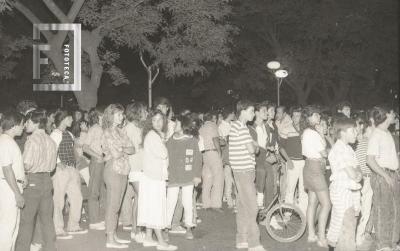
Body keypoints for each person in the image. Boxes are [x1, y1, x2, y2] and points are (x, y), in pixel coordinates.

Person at [15, 109, 57, 251]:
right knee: (46, 219)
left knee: (26, 220)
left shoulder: (32, 140)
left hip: (33, 181)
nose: (26, 125)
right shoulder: (50, 140)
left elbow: (26, 164)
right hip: (47, 180)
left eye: (28, 122)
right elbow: (52, 167)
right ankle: (51, 248)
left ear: (36, 123)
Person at [137, 110, 177, 251]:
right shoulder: (154, 136)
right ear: (150, 122)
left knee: (150, 207)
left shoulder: (152, 135)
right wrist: (164, 141)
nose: (158, 123)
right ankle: (161, 241)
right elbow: (163, 153)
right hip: (154, 177)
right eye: (154, 120)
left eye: (160, 120)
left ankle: (148, 237)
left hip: (151, 176)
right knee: (156, 208)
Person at [229, 100, 266, 251]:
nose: (253, 114)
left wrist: (254, 145)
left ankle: (242, 239)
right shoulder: (242, 128)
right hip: (244, 171)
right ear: (243, 111)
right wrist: (256, 147)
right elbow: (252, 149)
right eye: (251, 111)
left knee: (243, 206)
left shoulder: (236, 126)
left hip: (239, 171)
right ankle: (254, 243)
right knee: (252, 207)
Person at [367, 106, 400, 251]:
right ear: (386, 114)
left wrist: (395, 172)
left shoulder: (387, 133)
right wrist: (386, 176)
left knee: (395, 210)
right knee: (383, 210)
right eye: (393, 112)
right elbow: (370, 160)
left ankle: (393, 243)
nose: (395, 114)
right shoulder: (377, 135)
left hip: (391, 174)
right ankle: (382, 245)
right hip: (382, 177)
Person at [101, 104, 134, 248]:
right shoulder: (107, 132)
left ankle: (113, 235)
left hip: (123, 170)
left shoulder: (121, 131)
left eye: (122, 114)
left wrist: (122, 148)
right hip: (113, 170)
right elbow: (115, 154)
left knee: (117, 205)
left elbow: (132, 149)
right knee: (112, 206)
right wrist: (123, 149)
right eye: (119, 114)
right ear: (111, 116)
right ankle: (110, 239)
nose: (122, 117)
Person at [327, 118, 362, 251]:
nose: (356, 133)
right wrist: (356, 174)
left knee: (349, 225)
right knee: (345, 225)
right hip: (342, 192)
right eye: (353, 130)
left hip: (351, 192)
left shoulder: (348, 148)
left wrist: (357, 174)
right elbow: (353, 174)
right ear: (342, 132)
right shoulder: (338, 149)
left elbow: (358, 169)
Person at [51, 110, 87, 239]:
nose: (72, 120)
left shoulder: (69, 134)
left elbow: (77, 147)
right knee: (59, 200)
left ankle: (73, 225)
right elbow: (52, 150)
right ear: (63, 119)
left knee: (77, 197)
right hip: (62, 170)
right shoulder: (55, 134)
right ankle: (57, 228)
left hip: (72, 168)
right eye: (70, 118)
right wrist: (57, 163)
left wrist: (83, 132)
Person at [166, 114, 202, 240]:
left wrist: (197, 175)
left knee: (188, 202)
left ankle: (188, 227)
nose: (174, 126)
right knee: (170, 202)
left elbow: (198, 159)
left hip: (188, 176)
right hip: (174, 176)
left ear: (183, 126)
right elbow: (166, 156)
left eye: (176, 124)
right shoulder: (171, 140)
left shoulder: (192, 141)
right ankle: (166, 227)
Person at [301, 105, 331, 248]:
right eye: (316, 115)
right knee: (326, 204)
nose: (319, 117)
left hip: (310, 166)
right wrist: (322, 135)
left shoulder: (308, 132)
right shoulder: (311, 133)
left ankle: (311, 234)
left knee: (313, 202)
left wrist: (321, 134)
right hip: (315, 168)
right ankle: (321, 236)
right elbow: (324, 153)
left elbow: (322, 148)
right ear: (309, 117)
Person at [0, 111, 26, 251]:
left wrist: (23, 178)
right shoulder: (5, 142)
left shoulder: (8, 141)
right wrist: (17, 193)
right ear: (14, 125)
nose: (23, 127)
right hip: (9, 189)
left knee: (13, 227)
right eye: (22, 124)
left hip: (10, 186)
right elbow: (7, 169)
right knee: (7, 227)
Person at [124, 102, 147, 242]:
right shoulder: (130, 128)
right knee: (142, 197)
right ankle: (137, 229)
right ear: (138, 112)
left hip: (143, 166)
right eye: (144, 110)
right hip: (135, 167)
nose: (146, 113)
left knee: (139, 198)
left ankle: (135, 228)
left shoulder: (140, 127)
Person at [281, 106, 308, 215]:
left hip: (304, 162)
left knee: (303, 190)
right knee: (290, 189)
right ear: (292, 117)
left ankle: (303, 214)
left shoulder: (305, 130)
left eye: (299, 116)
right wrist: (288, 160)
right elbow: (281, 147)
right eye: (295, 116)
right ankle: (288, 213)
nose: (297, 118)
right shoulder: (286, 128)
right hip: (292, 162)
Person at [83, 106, 106, 231]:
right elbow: (85, 147)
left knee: (101, 191)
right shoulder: (94, 128)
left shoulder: (100, 128)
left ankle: (100, 218)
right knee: (94, 191)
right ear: (98, 117)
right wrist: (98, 156)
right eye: (103, 115)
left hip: (101, 162)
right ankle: (94, 220)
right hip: (97, 162)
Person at [355, 112, 374, 248]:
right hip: (367, 178)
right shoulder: (367, 142)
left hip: (362, 178)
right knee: (365, 209)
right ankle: (359, 236)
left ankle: (366, 231)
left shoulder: (361, 142)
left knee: (364, 207)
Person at [199, 111, 224, 211]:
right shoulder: (213, 125)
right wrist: (219, 152)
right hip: (213, 153)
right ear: (213, 119)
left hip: (205, 153)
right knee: (218, 178)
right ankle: (216, 204)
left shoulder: (201, 128)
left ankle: (206, 203)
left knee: (207, 178)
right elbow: (215, 139)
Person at [218, 107, 235, 208]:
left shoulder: (232, 124)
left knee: (231, 180)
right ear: (229, 114)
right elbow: (222, 142)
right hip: (228, 158)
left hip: (232, 157)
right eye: (233, 113)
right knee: (228, 180)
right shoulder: (222, 127)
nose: (234, 115)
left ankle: (230, 198)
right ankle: (229, 200)